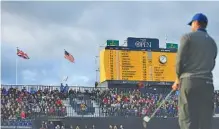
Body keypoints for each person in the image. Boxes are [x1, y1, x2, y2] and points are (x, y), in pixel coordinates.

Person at [172, 13, 218, 129]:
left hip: (189, 81)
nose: (191, 27)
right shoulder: (213, 43)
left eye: (191, 24)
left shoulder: (187, 37)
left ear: (196, 23)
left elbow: (179, 60)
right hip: (207, 83)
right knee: (205, 119)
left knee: (187, 118)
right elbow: (212, 63)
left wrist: (177, 78)